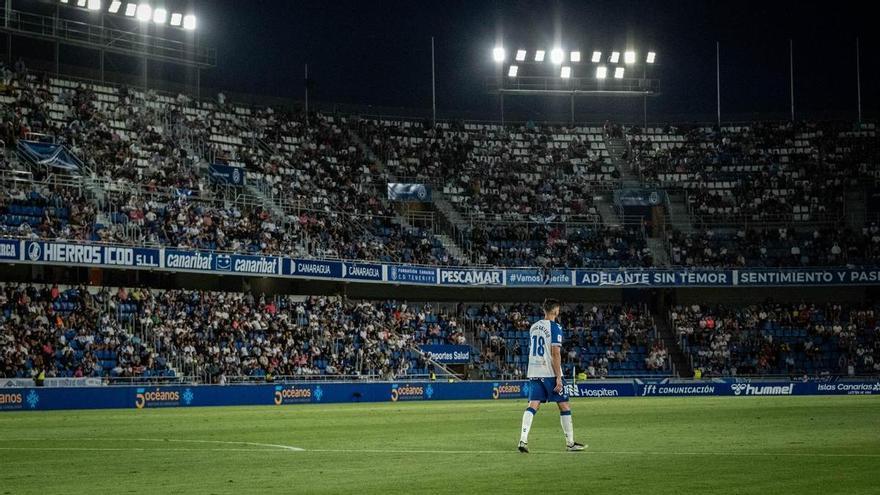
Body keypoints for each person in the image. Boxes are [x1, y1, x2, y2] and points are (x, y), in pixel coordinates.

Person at [518, 299, 586, 453]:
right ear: (555, 311)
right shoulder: (555, 327)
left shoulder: (533, 327)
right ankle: (570, 443)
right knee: (564, 405)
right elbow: (555, 353)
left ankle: (523, 440)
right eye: (558, 310)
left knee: (532, 406)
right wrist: (558, 377)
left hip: (534, 372)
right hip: (549, 373)